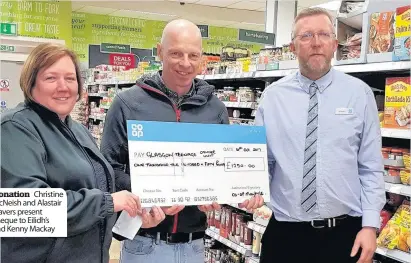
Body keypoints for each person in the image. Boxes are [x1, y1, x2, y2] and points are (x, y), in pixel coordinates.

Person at [100, 19, 264, 263]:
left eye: (193, 55)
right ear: (160, 52)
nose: (185, 63)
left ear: (202, 59)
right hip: (144, 244)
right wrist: (149, 193)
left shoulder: (215, 109)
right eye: (176, 53)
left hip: (194, 246)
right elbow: (108, 171)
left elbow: (223, 170)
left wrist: (238, 192)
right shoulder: (127, 103)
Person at [1, 43, 166, 263]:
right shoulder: (15, 128)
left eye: (70, 79)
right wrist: (109, 202)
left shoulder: (77, 130)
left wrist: (132, 219)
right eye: (51, 78)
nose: (63, 87)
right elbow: (28, 209)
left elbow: (94, 197)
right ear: (30, 83)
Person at [255, 7, 385, 263]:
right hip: (285, 234)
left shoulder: (359, 94)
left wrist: (370, 226)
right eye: (306, 36)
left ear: (335, 44)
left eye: (324, 35)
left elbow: (370, 166)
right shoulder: (272, 97)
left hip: (344, 235)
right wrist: (247, 188)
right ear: (292, 47)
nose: (316, 43)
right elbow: (261, 162)